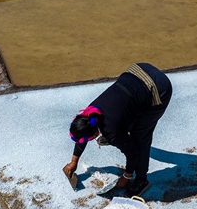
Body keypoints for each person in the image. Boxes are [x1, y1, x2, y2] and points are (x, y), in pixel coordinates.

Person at [63, 63, 172, 197]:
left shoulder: (111, 130)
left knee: (140, 136)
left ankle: (142, 181)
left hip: (158, 87)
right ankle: (121, 138)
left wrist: (127, 176)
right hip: (138, 70)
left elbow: (132, 154)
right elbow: (82, 133)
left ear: (95, 134)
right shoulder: (89, 113)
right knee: (123, 122)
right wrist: (74, 161)